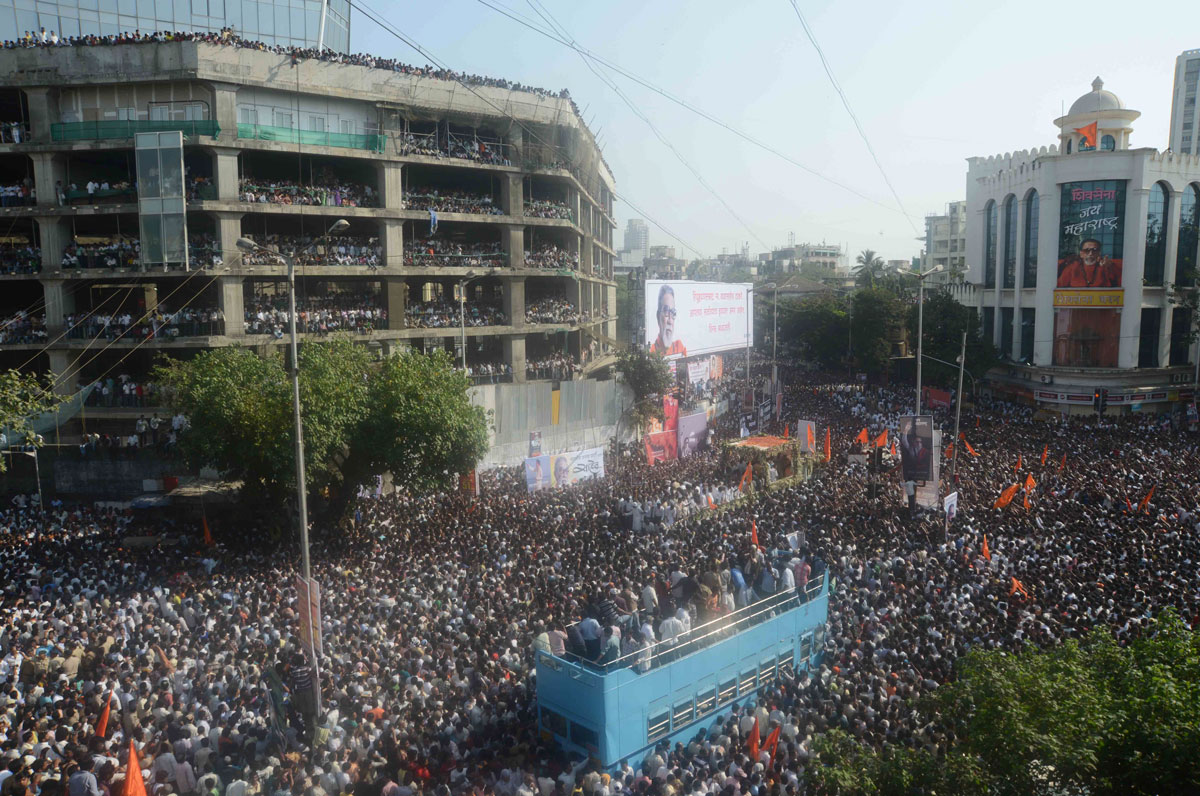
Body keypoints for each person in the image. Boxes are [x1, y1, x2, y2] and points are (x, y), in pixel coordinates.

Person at [1056, 238, 1122, 288]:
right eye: (1087, 250)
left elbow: (1120, 284)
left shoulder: (1106, 265)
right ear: (1081, 254)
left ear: (1099, 253)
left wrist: (1110, 268)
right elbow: (1060, 286)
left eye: (1094, 250)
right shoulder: (1072, 267)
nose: (1091, 253)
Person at [649, 284, 686, 357]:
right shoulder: (651, 351)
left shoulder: (679, 348)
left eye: (673, 313)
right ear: (658, 317)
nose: (670, 321)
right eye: (666, 311)